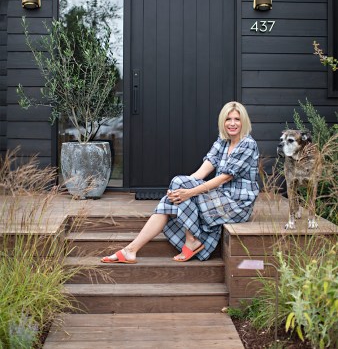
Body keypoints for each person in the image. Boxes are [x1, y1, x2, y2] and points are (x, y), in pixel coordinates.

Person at [101, 101, 259, 264]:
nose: (232, 123)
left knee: (180, 190)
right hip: (219, 197)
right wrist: (181, 187)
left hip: (237, 205)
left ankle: (190, 241)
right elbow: (202, 171)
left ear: (244, 121)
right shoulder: (223, 141)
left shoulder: (247, 144)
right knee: (173, 194)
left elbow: (224, 177)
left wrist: (188, 191)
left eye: (237, 119)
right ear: (222, 122)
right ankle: (131, 250)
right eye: (228, 119)